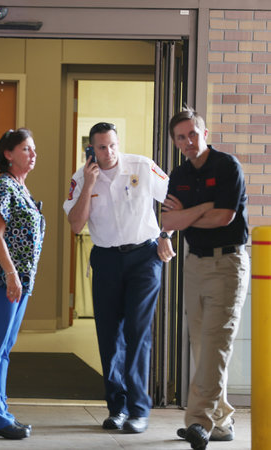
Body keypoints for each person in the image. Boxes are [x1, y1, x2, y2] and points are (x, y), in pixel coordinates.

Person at [62, 122, 174, 434]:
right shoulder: (81, 177)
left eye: (112, 145)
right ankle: (117, 408)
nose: (108, 152)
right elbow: (74, 224)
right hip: (107, 259)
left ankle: (139, 410)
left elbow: (174, 199)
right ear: (91, 149)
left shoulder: (140, 165)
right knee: (110, 335)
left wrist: (166, 234)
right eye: (101, 147)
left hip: (144, 258)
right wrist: (88, 185)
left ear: (118, 143)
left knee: (138, 333)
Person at [161, 107, 249, 450]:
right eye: (180, 138)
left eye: (193, 134)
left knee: (214, 344)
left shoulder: (228, 167)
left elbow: (224, 217)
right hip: (194, 265)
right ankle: (223, 422)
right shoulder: (178, 174)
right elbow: (170, 223)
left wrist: (186, 215)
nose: (188, 142)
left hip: (227, 264)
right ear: (175, 141)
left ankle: (198, 421)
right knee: (203, 345)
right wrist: (199, 209)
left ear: (205, 133)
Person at [0, 128, 45, 440]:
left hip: (18, 282)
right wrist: (11, 274)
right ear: (8, 154)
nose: (32, 154)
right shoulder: (2, 186)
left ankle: (0, 413)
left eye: (33, 149)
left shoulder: (22, 188)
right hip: (0, 280)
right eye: (26, 149)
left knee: (4, 349)